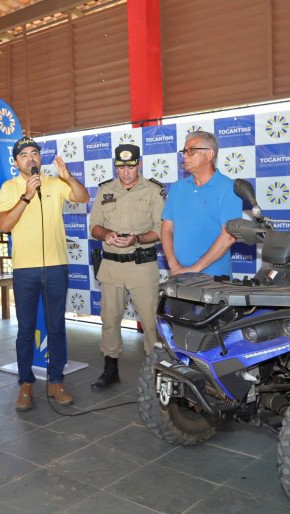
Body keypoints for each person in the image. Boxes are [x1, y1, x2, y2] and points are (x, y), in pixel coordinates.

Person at [0, 136, 89, 411]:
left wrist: (69, 177)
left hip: (56, 266)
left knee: (57, 326)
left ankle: (56, 381)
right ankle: (26, 384)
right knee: (25, 329)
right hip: (25, 269)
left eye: (34, 153)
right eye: (24, 154)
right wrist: (26, 195)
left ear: (41, 158)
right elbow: (4, 225)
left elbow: (82, 198)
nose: (31, 158)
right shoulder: (10, 187)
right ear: (16, 162)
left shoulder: (54, 182)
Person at [89, 144, 165, 392]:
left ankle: (156, 373)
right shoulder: (105, 190)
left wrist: (137, 239)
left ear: (139, 164)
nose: (126, 172)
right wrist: (107, 234)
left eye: (130, 166)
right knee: (109, 320)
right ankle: (110, 371)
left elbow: (161, 231)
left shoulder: (154, 191)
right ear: (116, 166)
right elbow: (95, 227)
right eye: (121, 167)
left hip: (142, 265)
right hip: (111, 265)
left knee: (150, 321)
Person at [161, 131, 241, 277]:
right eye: (184, 151)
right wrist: (174, 265)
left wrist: (195, 269)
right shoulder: (177, 188)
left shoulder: (229, 188)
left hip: (214, 280)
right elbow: (167, 229)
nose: (185, 155)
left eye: (191, 150)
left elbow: (229, 236)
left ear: (209, 155)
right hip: (178, 277)